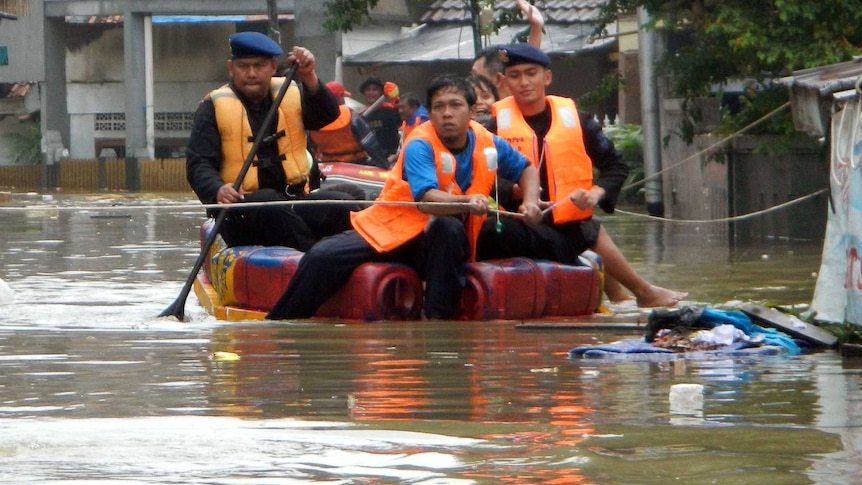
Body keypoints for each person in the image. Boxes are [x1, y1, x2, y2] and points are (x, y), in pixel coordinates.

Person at [266, 74, 542, 320]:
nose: (447, 113)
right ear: (430, 113)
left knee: (448, 228)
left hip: (439, 241)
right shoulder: (420, 143)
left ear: (471, 111)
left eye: (455, 105)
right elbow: (426, 199)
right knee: (322, 255)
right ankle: (280, 324)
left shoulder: (487, 141)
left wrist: (530, 201)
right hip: (395, 230)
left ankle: (439, 325)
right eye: (439, 107)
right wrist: (467, 203)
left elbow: (526, 168)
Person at [476, 43, 688, 308]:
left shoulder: (578, 120)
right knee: (502, 230)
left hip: (568, 219)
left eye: (531, 73)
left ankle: (633, 292)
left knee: (584, 225)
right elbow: (478, 175)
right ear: (504, 81)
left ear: (547, 77)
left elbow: (615, 166)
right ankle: (640, 291)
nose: (524, 82)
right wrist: (515, 192)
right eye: (515, 75)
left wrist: (594, 194)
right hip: (519, 222)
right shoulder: (491, 126)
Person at [186, 31, 359, 252]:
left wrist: (309, 76)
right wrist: (218, 189)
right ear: (231, 68)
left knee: (343, 206)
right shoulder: (212, 107)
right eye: (243, 66)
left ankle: (344, 258)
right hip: (242, 211)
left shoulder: (290, 92)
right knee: (268, 205)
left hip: (292, 199)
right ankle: (316, 257)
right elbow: (198, 163)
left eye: (259, 66)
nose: (251, 73)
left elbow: (326, 116)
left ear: (273, 67)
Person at [307, 81, 390, 169]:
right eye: (343, 96)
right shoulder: (351, 116)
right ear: (339, 97)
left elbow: (308, 148)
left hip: (328, 165)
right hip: (356, 163)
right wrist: (385, 165)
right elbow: (369, 143)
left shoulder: (313, 120)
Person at [471, 0, 544, 99]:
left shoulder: (523, 105)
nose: (471, 81)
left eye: (476, 75)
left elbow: (530, 62)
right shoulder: (474, 107)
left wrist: (536, 28)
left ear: (498, 79)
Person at [358, 76, 402, 159]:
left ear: (381, 93)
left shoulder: (390, 111)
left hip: (390, 159)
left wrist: (396, 99)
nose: (371, 92)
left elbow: (401, 121)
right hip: (368, 160)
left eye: (375, 89)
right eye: (368, 89)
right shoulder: (361, 116)